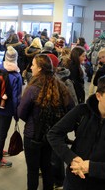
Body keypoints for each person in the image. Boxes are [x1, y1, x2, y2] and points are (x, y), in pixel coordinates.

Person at [47, 75, 105, 190]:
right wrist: (70, 158)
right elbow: (54, 134)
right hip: (74, 181)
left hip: (104, 185)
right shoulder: (82, 111)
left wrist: (91, 168)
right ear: (99, 96)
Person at [17, 54, 74, 190]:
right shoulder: (60, 87)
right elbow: (71, 109)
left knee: (32, 170)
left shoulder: (32, 89)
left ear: (40, 68)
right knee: (47, 167)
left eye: (33, 65)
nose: (31, 67)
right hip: (52, 136)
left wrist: (33, 119)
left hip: (33, 135)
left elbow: (21, 113)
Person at [0, 46, 22, 167]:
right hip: (7, 109)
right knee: (2, 133)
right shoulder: (16, 76)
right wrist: (16, 113)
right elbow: (16, 98)